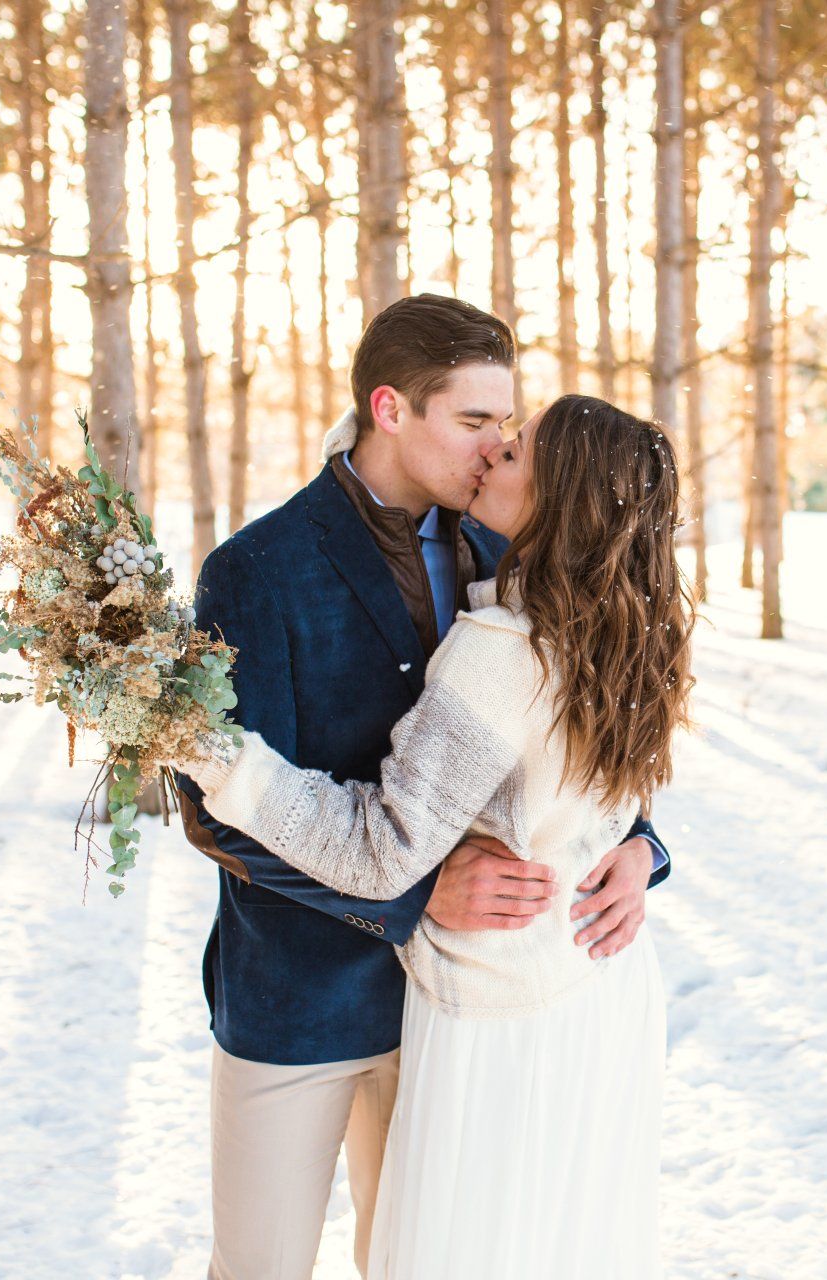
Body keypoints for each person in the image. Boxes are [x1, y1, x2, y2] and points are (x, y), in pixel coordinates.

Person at [170, 295, 675, 1280]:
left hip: (455, 1016)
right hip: (300, 994)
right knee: (261, 1265)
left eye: (508, 426)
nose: (496, 449)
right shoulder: (257, 568)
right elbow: (206, 808)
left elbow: (573, 727)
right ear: (392, 407)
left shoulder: (515, 544)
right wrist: (407, 892)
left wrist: (637, 844)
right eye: (476, 421)